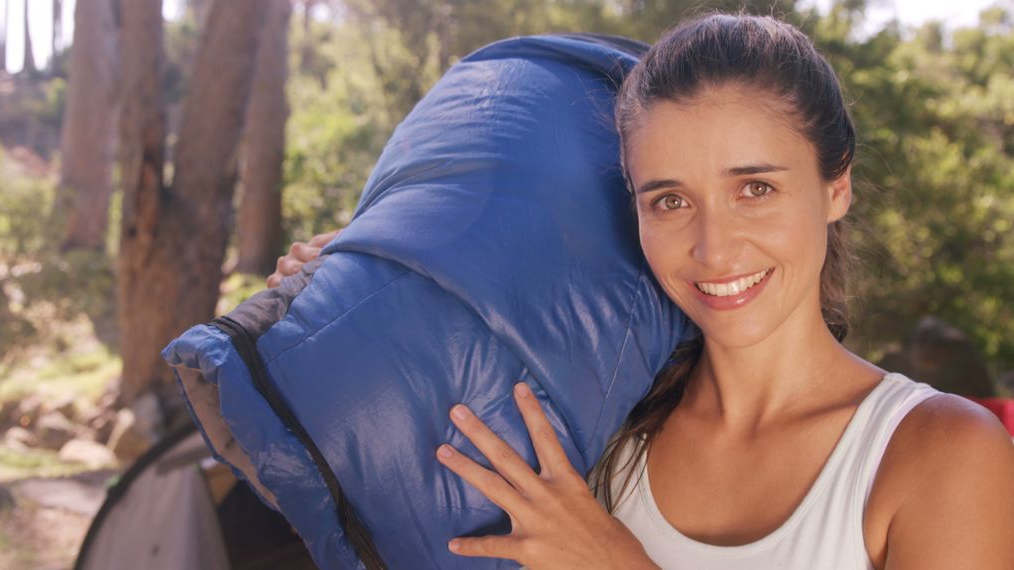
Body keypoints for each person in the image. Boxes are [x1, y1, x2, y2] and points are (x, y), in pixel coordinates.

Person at [266, 14, 1014, 569]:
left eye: (755, 187)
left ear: (836, 186)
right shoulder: (598, 427)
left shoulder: (938, 455)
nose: (714, 248)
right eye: (669, 200)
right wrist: (353, 294)